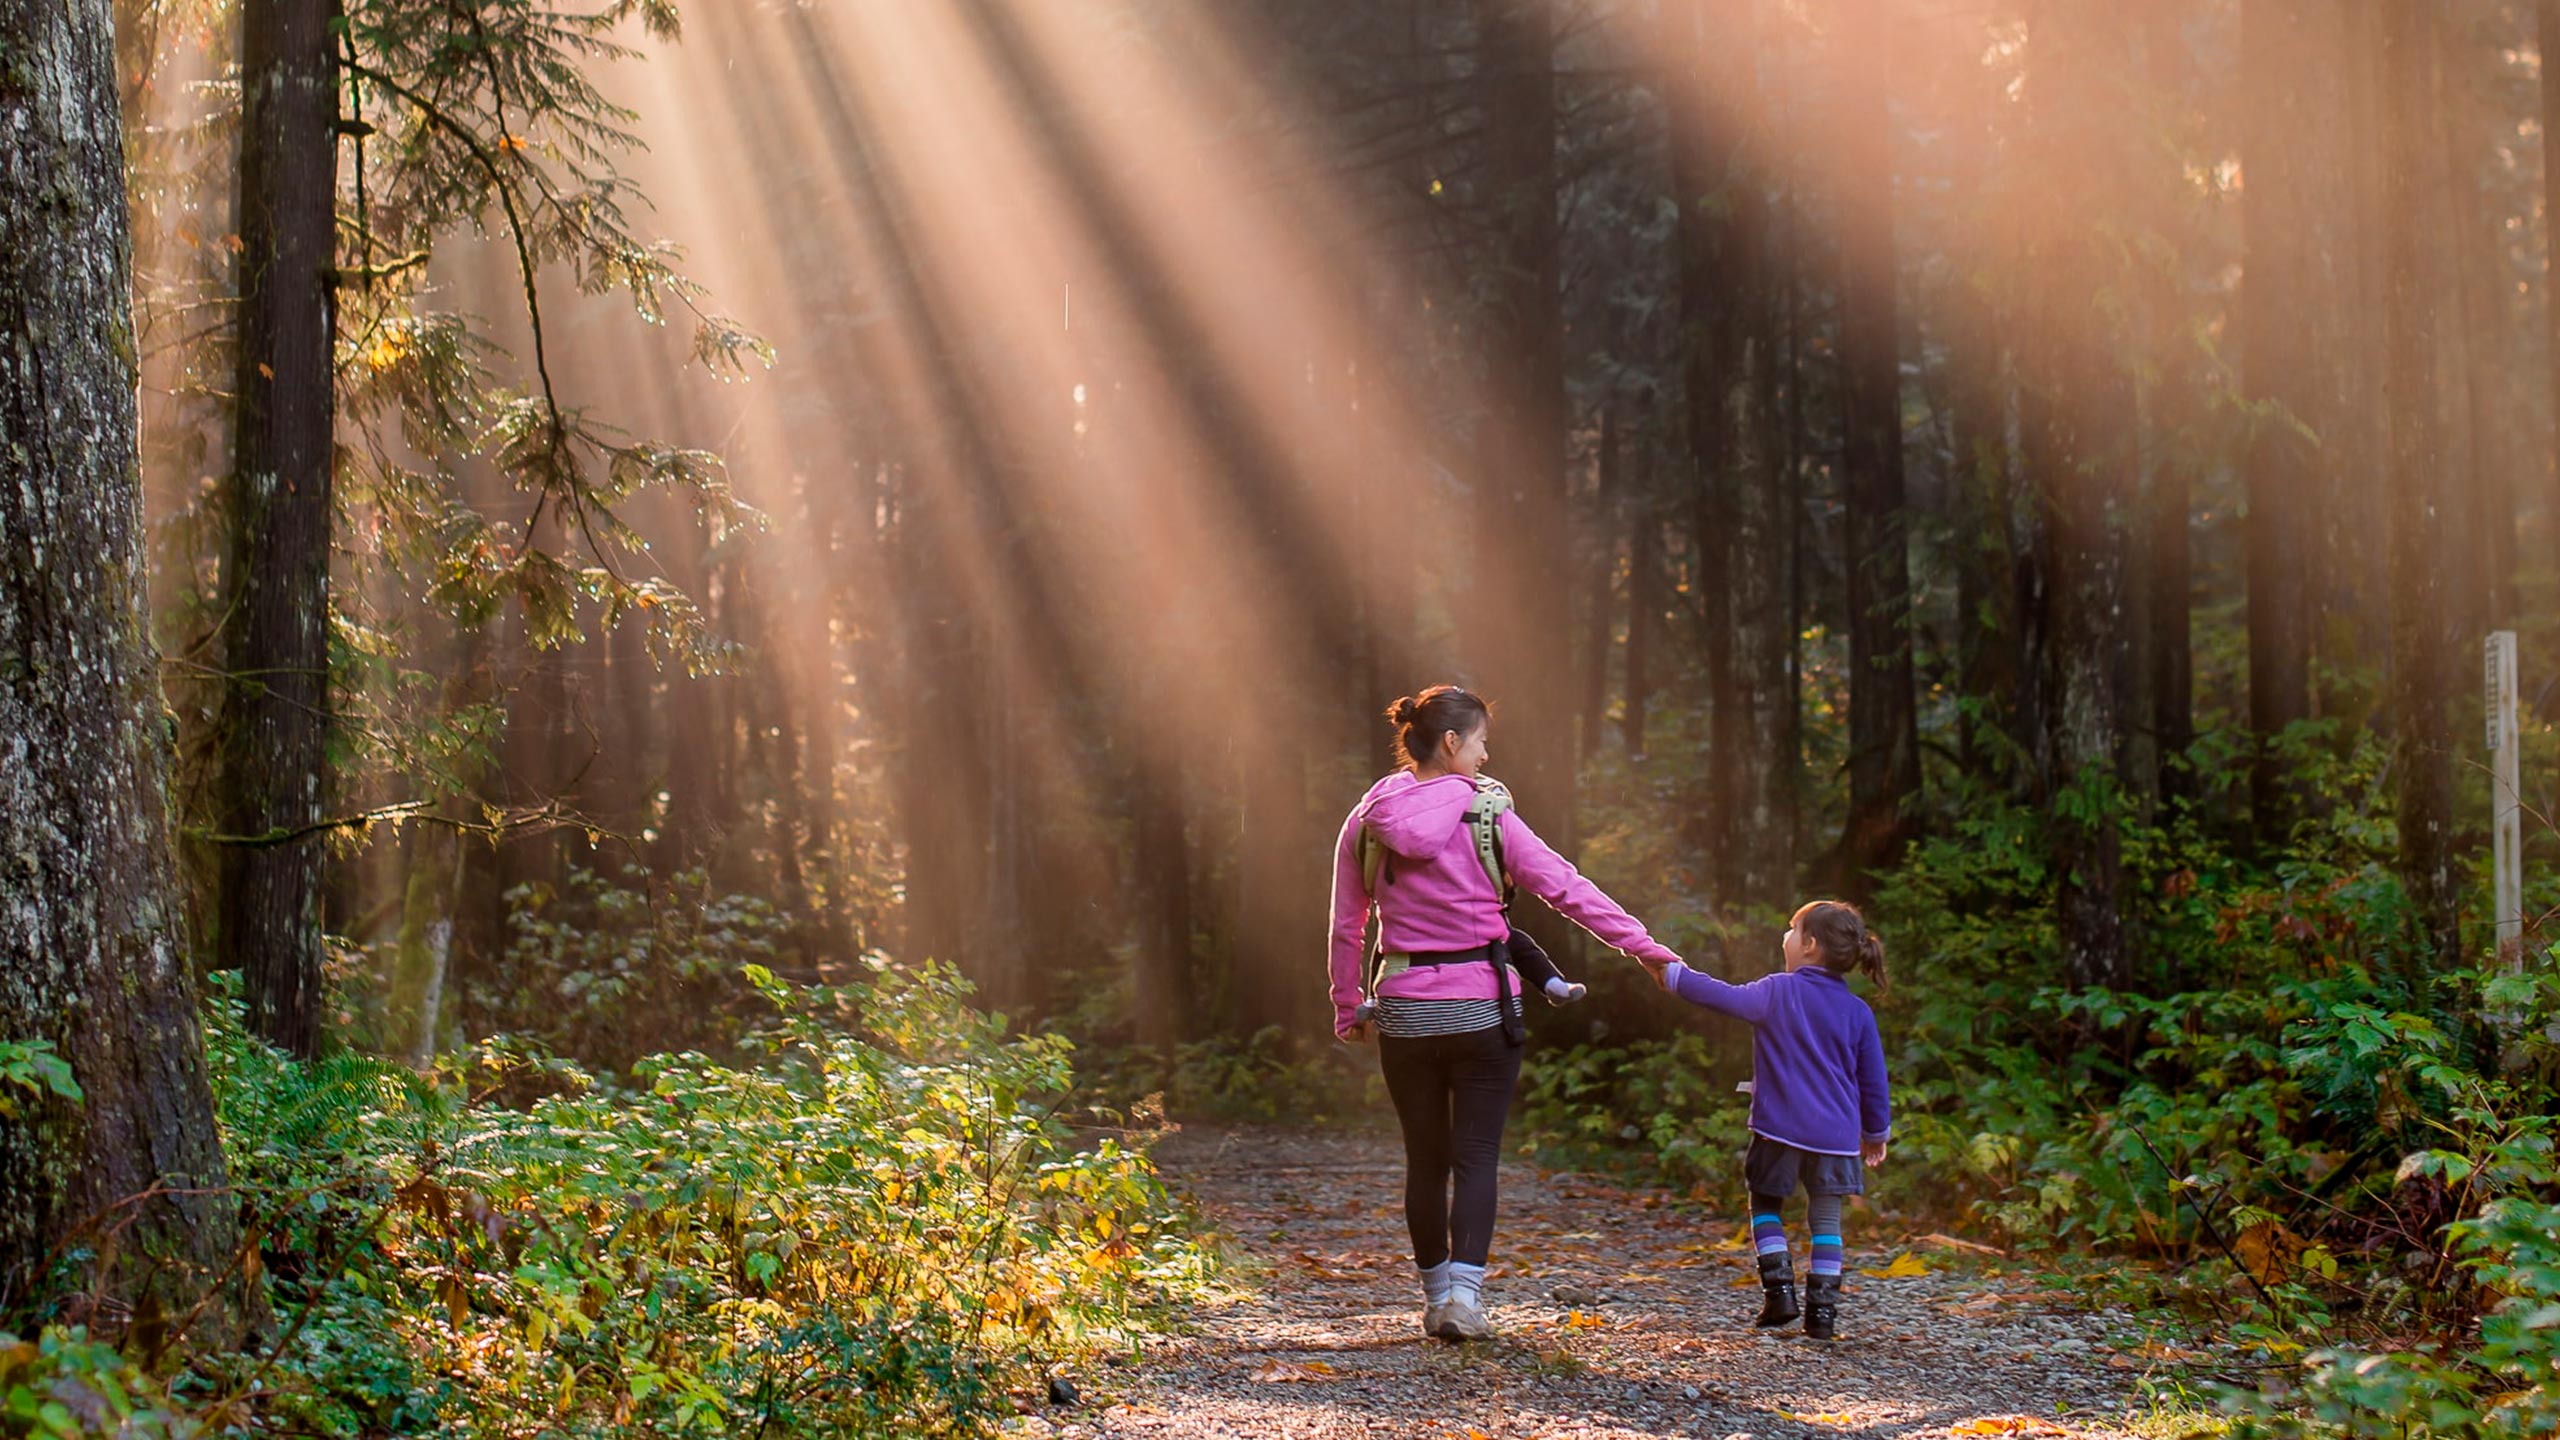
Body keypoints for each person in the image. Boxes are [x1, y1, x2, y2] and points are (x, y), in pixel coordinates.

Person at [1329, 684, 1680, 1341]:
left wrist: (1350, 1005)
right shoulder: (1488, 814)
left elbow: (1347, 924)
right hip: (1483, 1011)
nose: (1487, 756)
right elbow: (1566, 889)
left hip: (1405, 1010)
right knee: (1476, 1158)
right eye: (1482, 740)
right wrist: (1646, 950)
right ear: (1453, 742)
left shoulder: (1367, 816)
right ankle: (1465, 1300)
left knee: (1424, 1160)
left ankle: (1435, 1302)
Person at [1639, 900, 1891, 1341]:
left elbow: (1724, 996)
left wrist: (1674, 975)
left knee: (1765, 1204)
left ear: (1810, 945)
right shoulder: (1858, 1013)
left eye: (1792, 929)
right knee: (1826, 1221)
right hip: (1835, 1137)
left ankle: (1779, 1293)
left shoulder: (1779, 991)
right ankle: (1823, 1316)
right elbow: (1873, 1082)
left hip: (1780, 1128)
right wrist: (1875, 1134)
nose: (1785, 937)